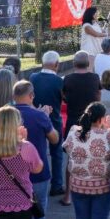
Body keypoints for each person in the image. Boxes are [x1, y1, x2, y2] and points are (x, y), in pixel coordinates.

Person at [63, 102, 110, 219]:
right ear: (101, 118)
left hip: (78, 183)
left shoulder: (73, 132)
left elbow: (66, 149)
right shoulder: (108, 135)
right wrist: (109, 128)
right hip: (102, 185)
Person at [12, 80, 58, 219]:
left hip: (12, 170)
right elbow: (54, 139)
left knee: (14, 208)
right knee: (37, 209)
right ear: (31, 96)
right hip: (37, 170)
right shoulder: (39, 116)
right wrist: (46, 117)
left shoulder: (6, 115)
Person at [29, 51, 65, 195]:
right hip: (54, 120)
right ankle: (56, 185)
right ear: (56, 65)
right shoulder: (59, 81)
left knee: (37, 151)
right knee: (57, 153)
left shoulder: (33, 77)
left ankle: (35, 180)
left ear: (42, 63)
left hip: (35, 120)